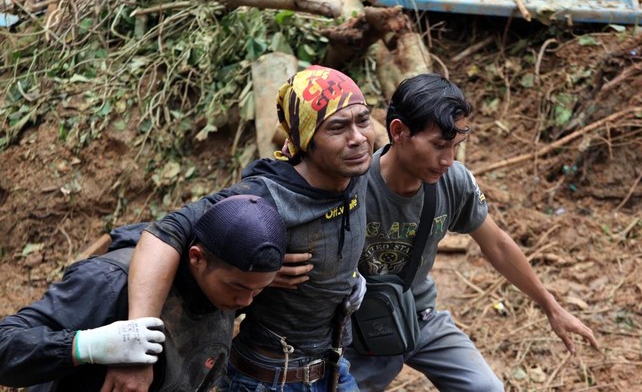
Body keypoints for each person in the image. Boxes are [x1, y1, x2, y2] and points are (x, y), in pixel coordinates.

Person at [112, 65, 375, 391]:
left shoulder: (357, 171)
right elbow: (162, 234)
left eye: (363, 120)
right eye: (337, 128)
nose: (358, 138)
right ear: (307, 140)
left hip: (334, 367)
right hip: (269, 377)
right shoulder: (265, 196)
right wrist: (135, 349)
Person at [336, 73, 601, 391]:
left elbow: (498, 245)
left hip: (421, 315)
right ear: (399, 131)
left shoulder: (453, 182)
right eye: (439, 146)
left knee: (486, 388)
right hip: (359, 328)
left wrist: (550, 306)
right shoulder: (350, 186)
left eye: (455, 147)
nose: (448, 160)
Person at [0, 195, 287, 391]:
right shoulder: (109, 283)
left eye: (258, 290)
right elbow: (6, 345)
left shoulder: (227, 285)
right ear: (197, 258)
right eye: (237, 287)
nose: (245, 301)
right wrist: (83, 346)